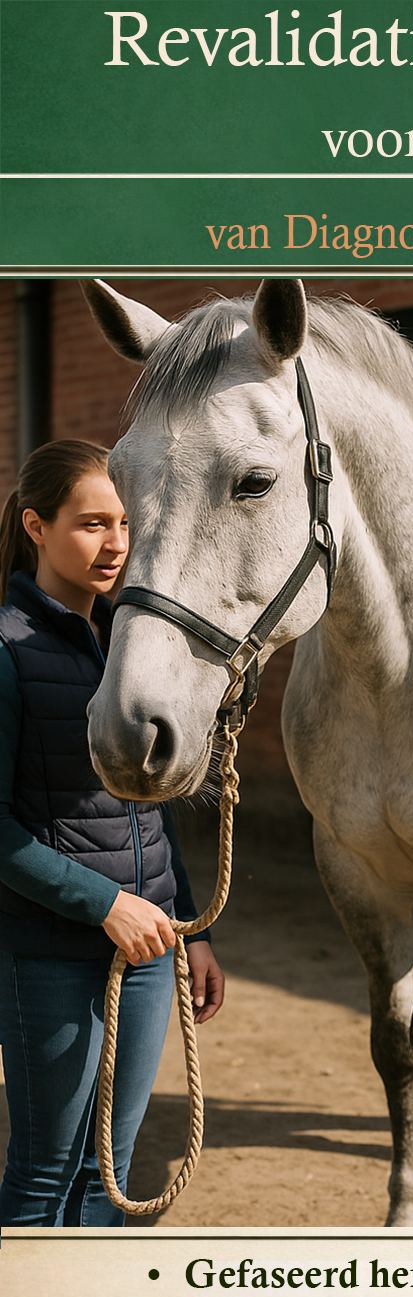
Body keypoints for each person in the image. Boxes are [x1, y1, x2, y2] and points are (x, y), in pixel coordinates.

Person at [0, 440, 224, 1226]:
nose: (117, 543)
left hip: (150, 949)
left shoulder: (126, 645)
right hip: (49, 954)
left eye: (125, 522)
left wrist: (187, 923)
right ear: (36, 524)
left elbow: (143, 804)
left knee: (110, 1176)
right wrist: (104, 903)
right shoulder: (5, 649)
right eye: (92, 523)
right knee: (42, 1178)